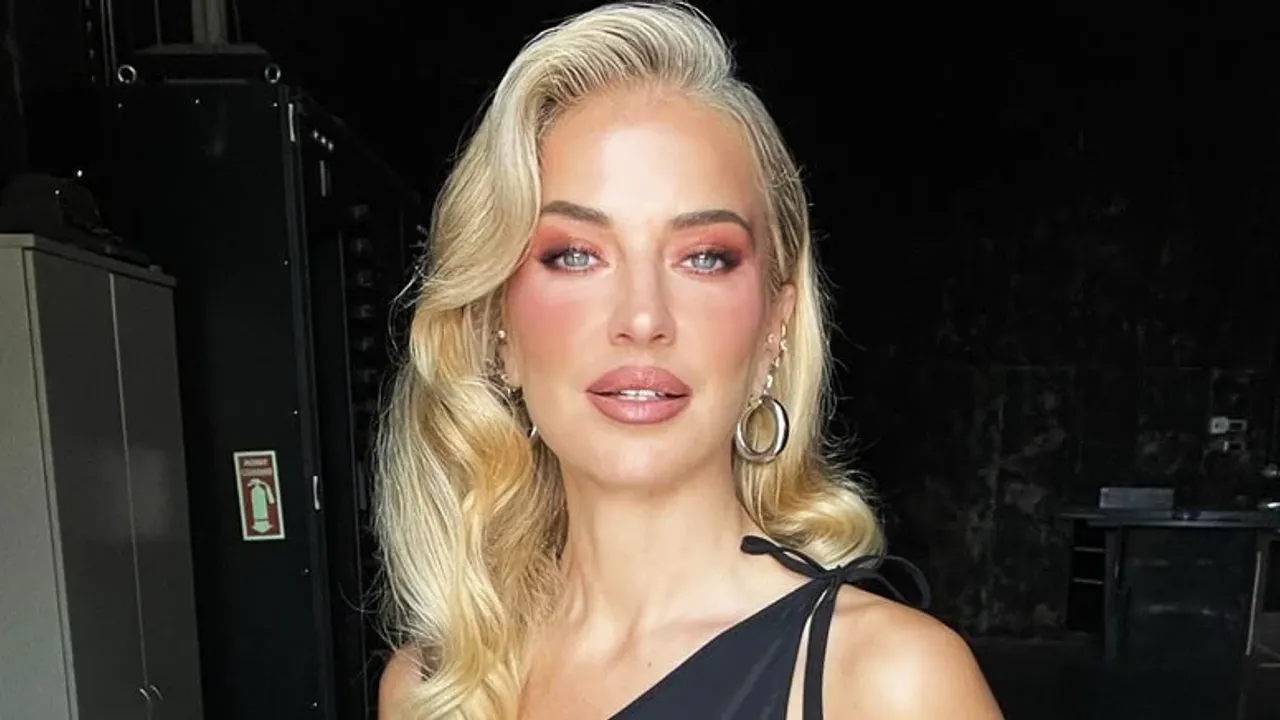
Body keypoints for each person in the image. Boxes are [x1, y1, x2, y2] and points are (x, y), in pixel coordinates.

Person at [375, 2, 1001, 718]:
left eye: (704, 257)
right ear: (498, 328)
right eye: (575, 255)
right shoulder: (431, 687)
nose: (643, 319)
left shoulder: (890, 684)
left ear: (774, 326)